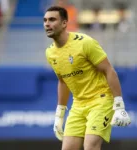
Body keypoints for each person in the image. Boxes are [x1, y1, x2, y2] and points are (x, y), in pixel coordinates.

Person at [44, 6, 131, 150]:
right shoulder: (50, 53)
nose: (47, 23)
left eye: (52, 19)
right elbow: (63, 81)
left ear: (65, 23)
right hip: (78, 104)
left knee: (90, 146)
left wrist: (119, 106)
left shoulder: (84, 42)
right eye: (45, 20)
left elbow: (109, 70)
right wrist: (59, 116)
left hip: (100, 100)